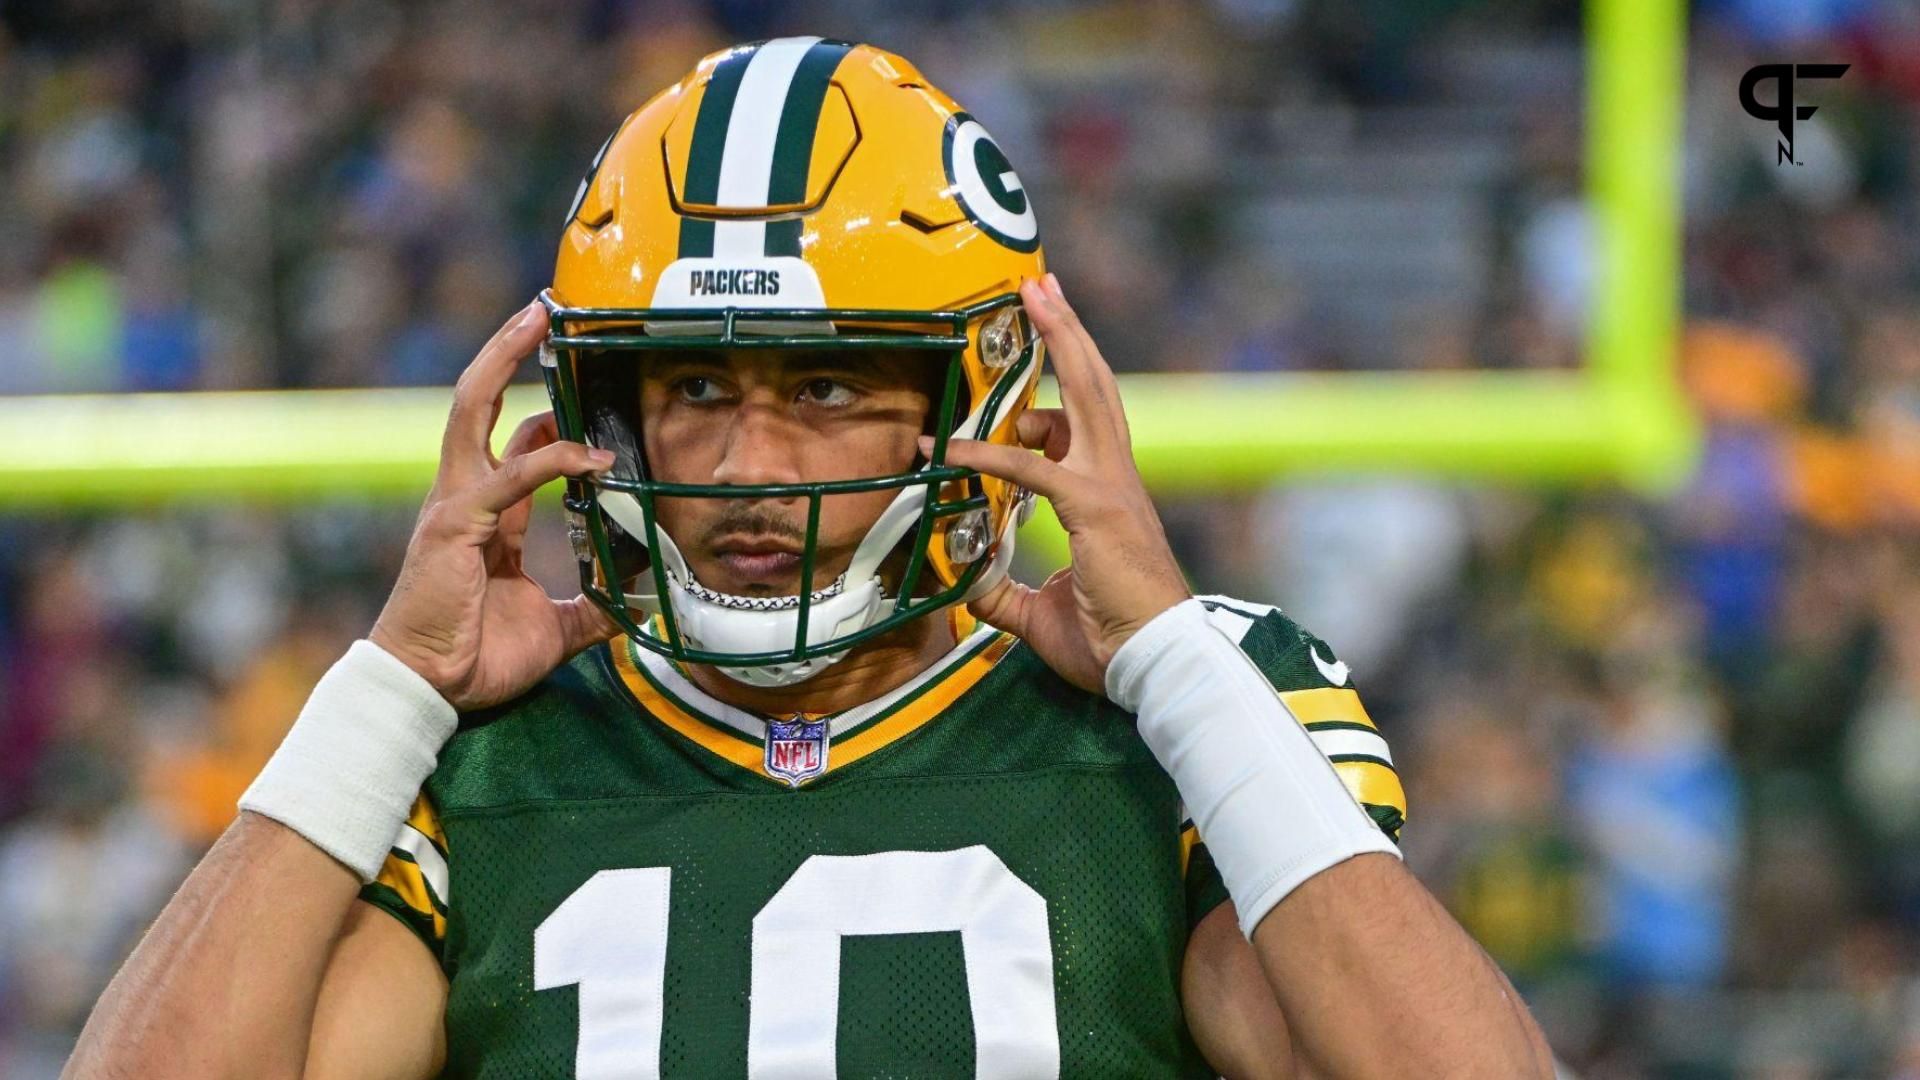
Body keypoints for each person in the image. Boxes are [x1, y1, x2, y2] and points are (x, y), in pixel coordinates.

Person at [67, 39, 1553, 1078]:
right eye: (697, 392)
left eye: (828, 389)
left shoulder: (1199, 710)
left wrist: (1174, 664)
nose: (746, 472)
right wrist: (387, 692)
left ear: (992, 404)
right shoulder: (476, 756)